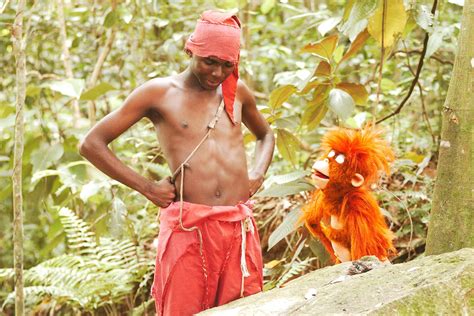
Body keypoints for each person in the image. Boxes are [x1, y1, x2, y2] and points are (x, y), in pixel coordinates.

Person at [78, 9, 275, 316]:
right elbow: (91, 143)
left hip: (238, 229)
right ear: (189, 48)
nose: (216, 72)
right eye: (209, 61)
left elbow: (265, 135)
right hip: (189, 229)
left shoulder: (237, 93)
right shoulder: (159, 93)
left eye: (227, 65)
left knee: (246, 309)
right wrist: (147, 188)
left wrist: (257, 175)